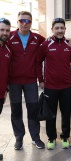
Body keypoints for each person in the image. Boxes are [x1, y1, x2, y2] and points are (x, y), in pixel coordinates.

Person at [8, 11, 45, 150]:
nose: (24, 23)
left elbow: (51, 40)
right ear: (17, 22)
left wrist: (68, 41)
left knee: (33, 110)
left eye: (28, 21)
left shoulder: (36, 38)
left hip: (30, 81)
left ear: (31, 23)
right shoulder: (10, 37)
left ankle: (35, 137)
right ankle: (19, 138)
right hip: (14, 82)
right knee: (16, 110)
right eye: (22, 20)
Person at [37, 18, 71, 149]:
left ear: (65, 29)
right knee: (50, 114)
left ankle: (65, 137)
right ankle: (51, 138)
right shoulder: (46, 45)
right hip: (50, 86)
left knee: (66, 113)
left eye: (61, 28)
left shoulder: (69, 45)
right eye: (56, 28)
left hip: (66, 86)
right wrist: (40, 79)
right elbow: (38, 62)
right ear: (52, 29)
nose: (59, 30)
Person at [0, 17, 11, 160]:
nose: (4, 33)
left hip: (1, 95)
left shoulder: (8, 48)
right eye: (2, 30)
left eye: (7, 30)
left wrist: (6, 90)